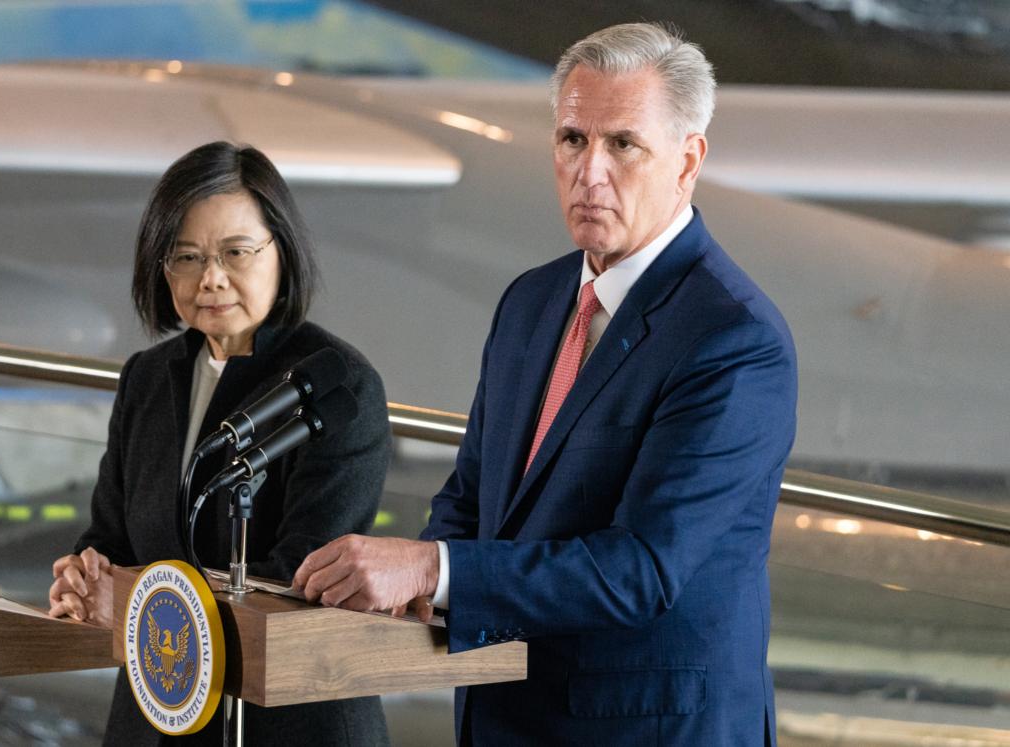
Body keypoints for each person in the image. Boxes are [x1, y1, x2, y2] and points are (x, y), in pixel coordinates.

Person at [293, 23, 797, 746]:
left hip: (648, 731)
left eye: (623, 143)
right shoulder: (532, 300)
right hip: (503, 711)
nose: (590, 171)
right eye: (571, 140)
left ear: (688, 161)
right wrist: (419, 585)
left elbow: (643, 569)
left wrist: (432, 568)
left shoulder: (735, 339)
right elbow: (474, 495)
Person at [47, 142, 392, 746]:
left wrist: (125, 603)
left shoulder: (338, 383)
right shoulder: (147, 377)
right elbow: (111, 535)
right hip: (154, 716)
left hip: (285, 720)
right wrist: (84, 575)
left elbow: (300, 584)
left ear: (281, 251)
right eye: (186, 256)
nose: (211, 278)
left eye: (235, 252)